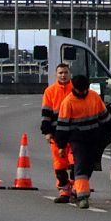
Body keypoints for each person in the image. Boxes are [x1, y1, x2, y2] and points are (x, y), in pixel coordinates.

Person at [54, 75, 111, 209]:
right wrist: (61, 146)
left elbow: (105, 116)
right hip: (77, 140)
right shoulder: (68, 102)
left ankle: (76, 190)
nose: (83, 92)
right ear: (74, 88)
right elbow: (62, 127)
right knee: (81, 165)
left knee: (89, 166)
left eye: (85, 90)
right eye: (80, 90)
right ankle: (82, 197)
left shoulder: (94, 97)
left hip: (93, 138)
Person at [41, 62, 75, 203]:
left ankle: (76, 188)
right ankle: (64, 190)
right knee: (59, 165)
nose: (63, 75)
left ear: (70, 74)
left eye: (65, 72)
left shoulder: (75, 89)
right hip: (56, 134)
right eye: (60, 73)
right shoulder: (50, 91)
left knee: (75, 162)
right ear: (56, 75)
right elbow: (46, 114)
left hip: (74, 133)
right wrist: (47, 132)